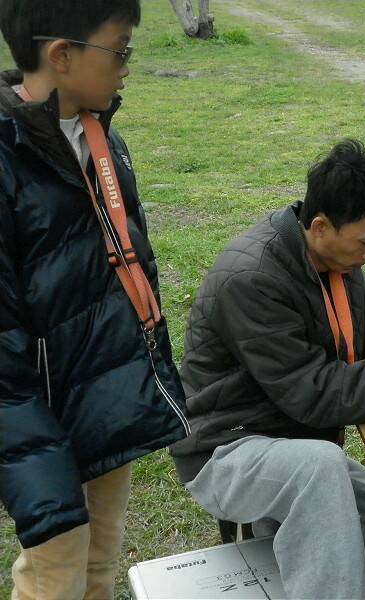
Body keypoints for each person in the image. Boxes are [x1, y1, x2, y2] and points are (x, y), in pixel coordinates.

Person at [170, 139, 365, 599]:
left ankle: (279, 524)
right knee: (319, 467)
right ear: (320, 226)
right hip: (227, 449)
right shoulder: (252, 279)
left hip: (297, 446)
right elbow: (311, 392)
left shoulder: (338, 262)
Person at [0, 2, 189, 598]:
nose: (127, 66)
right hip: (37, 416)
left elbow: (133, 266)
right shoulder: (8, 158)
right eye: (119, 49)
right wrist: (33, 447)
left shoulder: (103, 138)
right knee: (56, 572)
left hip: (107, 394)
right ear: (61, 55)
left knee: (100, 562)